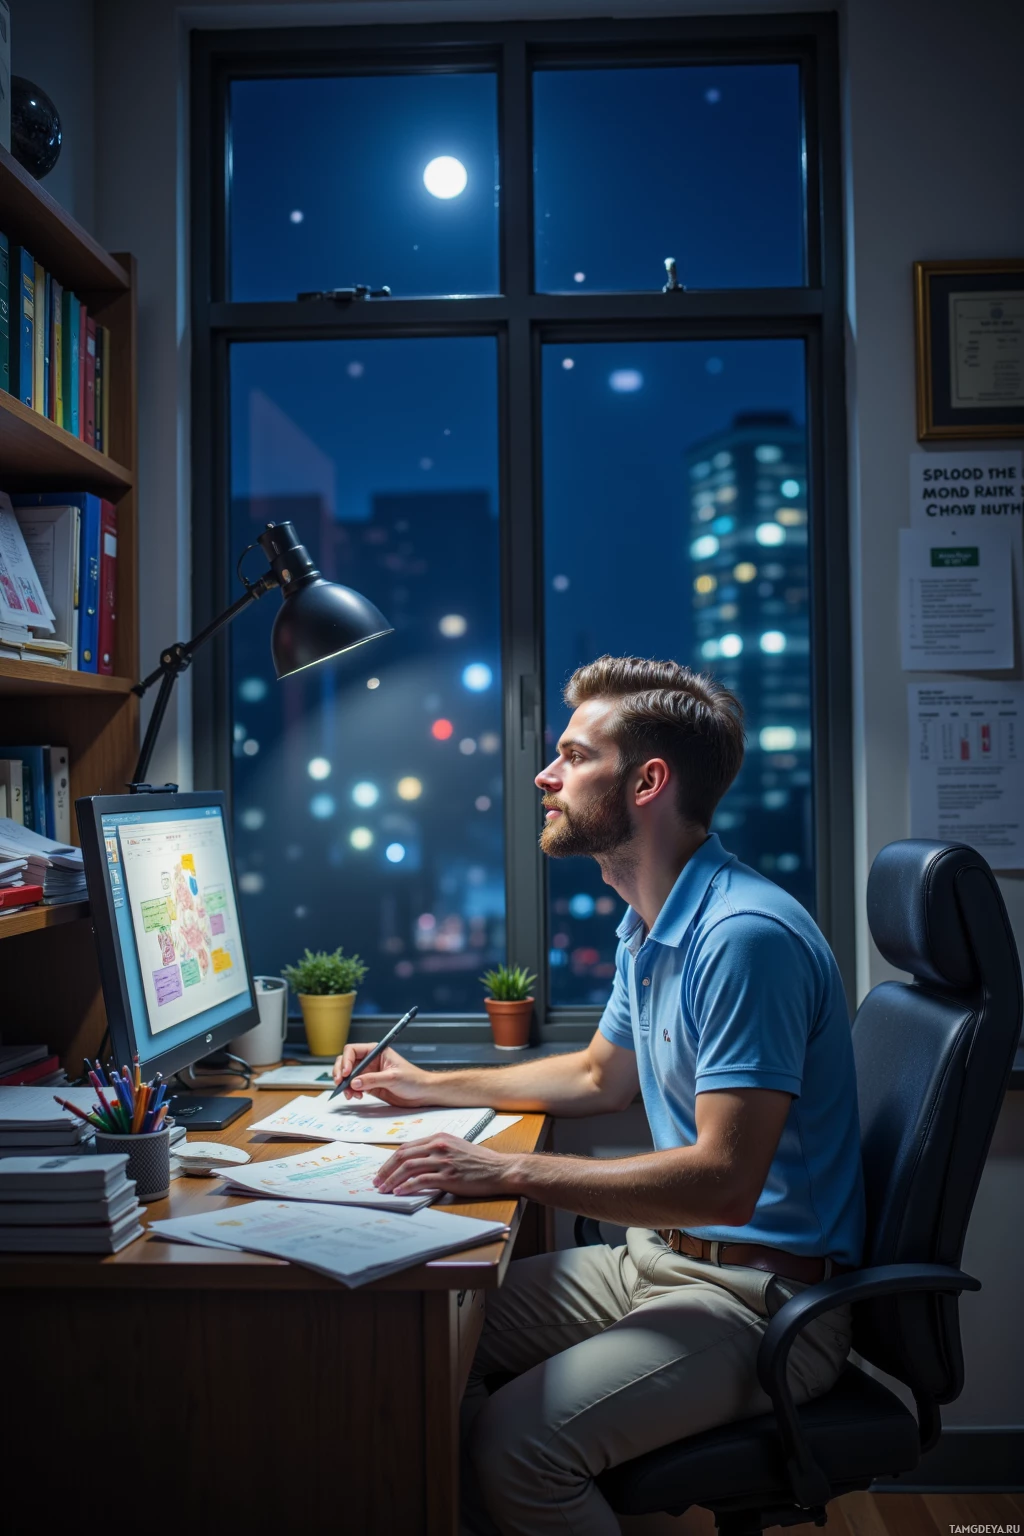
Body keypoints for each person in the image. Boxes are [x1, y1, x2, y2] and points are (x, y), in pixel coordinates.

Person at [333, 655, 865, 1536]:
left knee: (516, 1447)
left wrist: (502, 1171)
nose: (546, 775)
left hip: (761, 1302)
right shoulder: (649, 921)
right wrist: (424, 1085)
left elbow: (726, 1182)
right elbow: (596, 1075)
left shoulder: (743, 938)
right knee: (418, 1344)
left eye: (574, 756)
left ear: (648, 781)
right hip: (661, 1261)